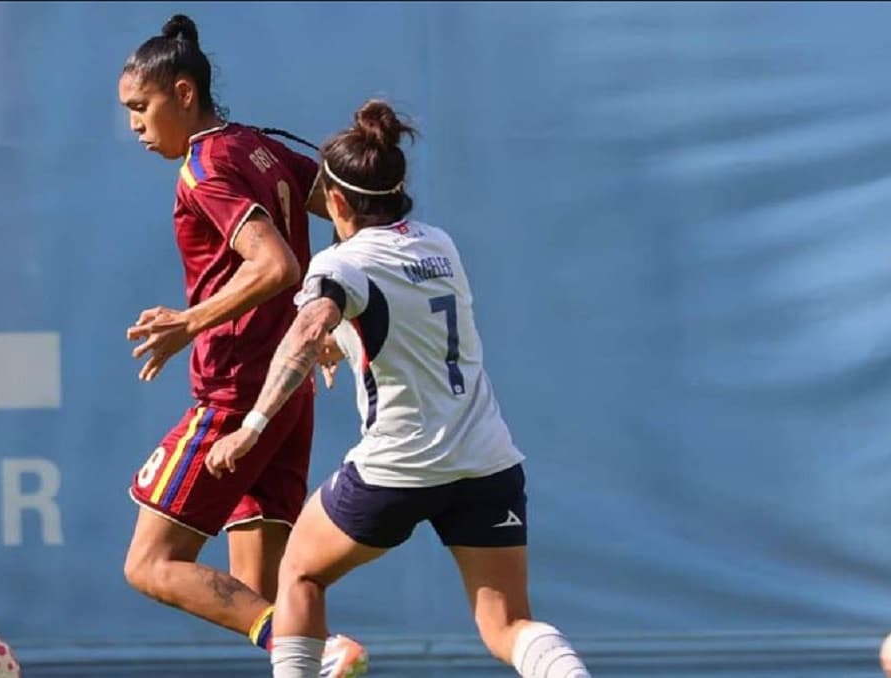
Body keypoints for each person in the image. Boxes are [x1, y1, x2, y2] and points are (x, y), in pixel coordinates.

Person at [205, 100, 593, 678]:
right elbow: (394, 316)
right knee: (508, 625)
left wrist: (253, 426)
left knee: (299, 575)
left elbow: (308, 327)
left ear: (334, 202)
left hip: (399, 467)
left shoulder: (342, 263)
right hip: (486, 464)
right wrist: (345, 338)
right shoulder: (439, 244)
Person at [116, 13, 368, 678]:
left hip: (234, 395)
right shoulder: (258, 147)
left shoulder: (204, 169)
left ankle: (321, 648)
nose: (136, 126)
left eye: (142, 107)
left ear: (184, 93)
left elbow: (275, 266)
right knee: (255, 584)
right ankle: (309, 656)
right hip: (286, 395)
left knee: (150, 563)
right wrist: (340, 315)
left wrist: (188, 323)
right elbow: (348, 209)